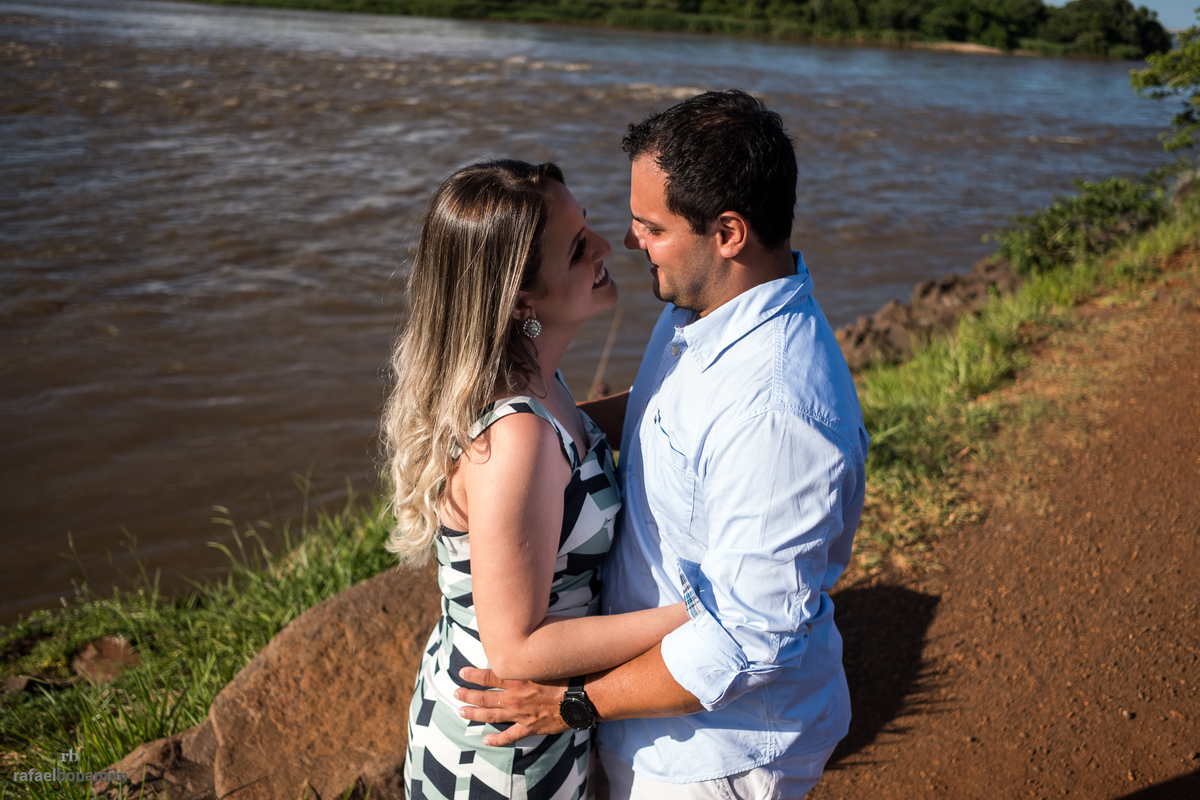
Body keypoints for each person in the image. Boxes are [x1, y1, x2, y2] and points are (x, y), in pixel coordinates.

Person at [453, 91, 870, 799]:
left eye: (651, 226)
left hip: (716, 753)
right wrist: (520, 436)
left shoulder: (777, 415)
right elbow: (666, 415)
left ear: (728, 233)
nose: (628, 241)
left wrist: (570, 705)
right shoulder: (705, 304)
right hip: (651, 717)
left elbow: (745, 641)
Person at [382, 159, 688, 800]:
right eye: (578, 247)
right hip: (501, 754)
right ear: (519, 296)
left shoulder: (538, 387)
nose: (608, 246)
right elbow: (517, 649)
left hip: (520, 723)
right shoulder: (516, 436)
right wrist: (692, 620)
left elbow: (588, 438)